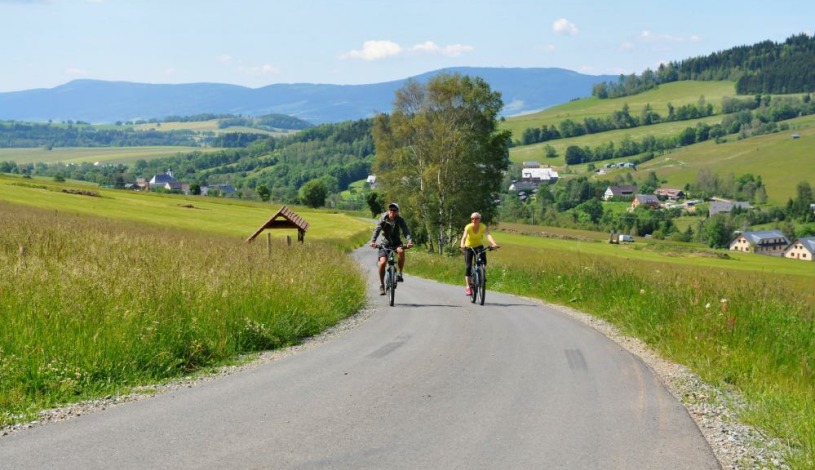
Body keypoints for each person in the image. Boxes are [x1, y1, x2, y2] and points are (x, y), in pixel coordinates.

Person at [370, 202, 414, 295]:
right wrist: (373, 241)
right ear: (388, 210)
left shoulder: (400, 220)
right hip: (385, 244)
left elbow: (406, 231)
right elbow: (377, 230)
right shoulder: (383, 218)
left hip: (396, 243)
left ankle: (399, 274)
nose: (392, 212)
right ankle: (382, 285)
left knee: (401, 251)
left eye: (394, 210)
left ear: (397, 212)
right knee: (382, 263)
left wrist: (409, 241)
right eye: (390, 210)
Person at [460, 212, 499, 296]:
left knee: (483, 262)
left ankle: (481, 274)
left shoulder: (482, 227)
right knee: (468, 266)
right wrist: (462, 245)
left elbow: (488, 235)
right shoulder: (468, 227)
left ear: (479, 219)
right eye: (472, 219)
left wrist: (494, 244)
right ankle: (468, 287)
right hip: (468, 247)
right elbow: (464, 237)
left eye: (476, 218)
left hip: (478, 246)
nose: (474, 220)